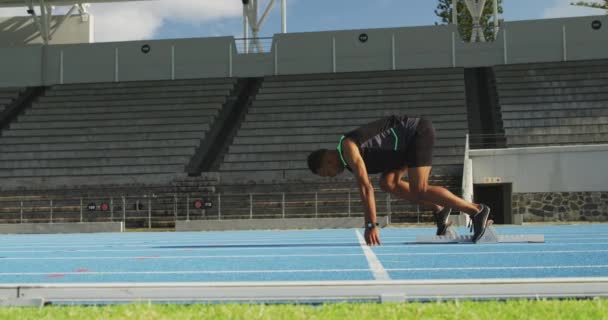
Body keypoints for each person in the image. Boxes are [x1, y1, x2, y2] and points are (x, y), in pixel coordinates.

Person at [307, 115, 490, 245]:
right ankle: (439, 209)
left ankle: (476, 210)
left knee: (420, 188)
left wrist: (371, 225)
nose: (332, 176)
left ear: (327, 161)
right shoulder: (347, 158)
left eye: (327, 173)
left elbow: (365, 188)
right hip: (400, 152)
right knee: (388, 183)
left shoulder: (348, 147)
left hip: (416, 133)